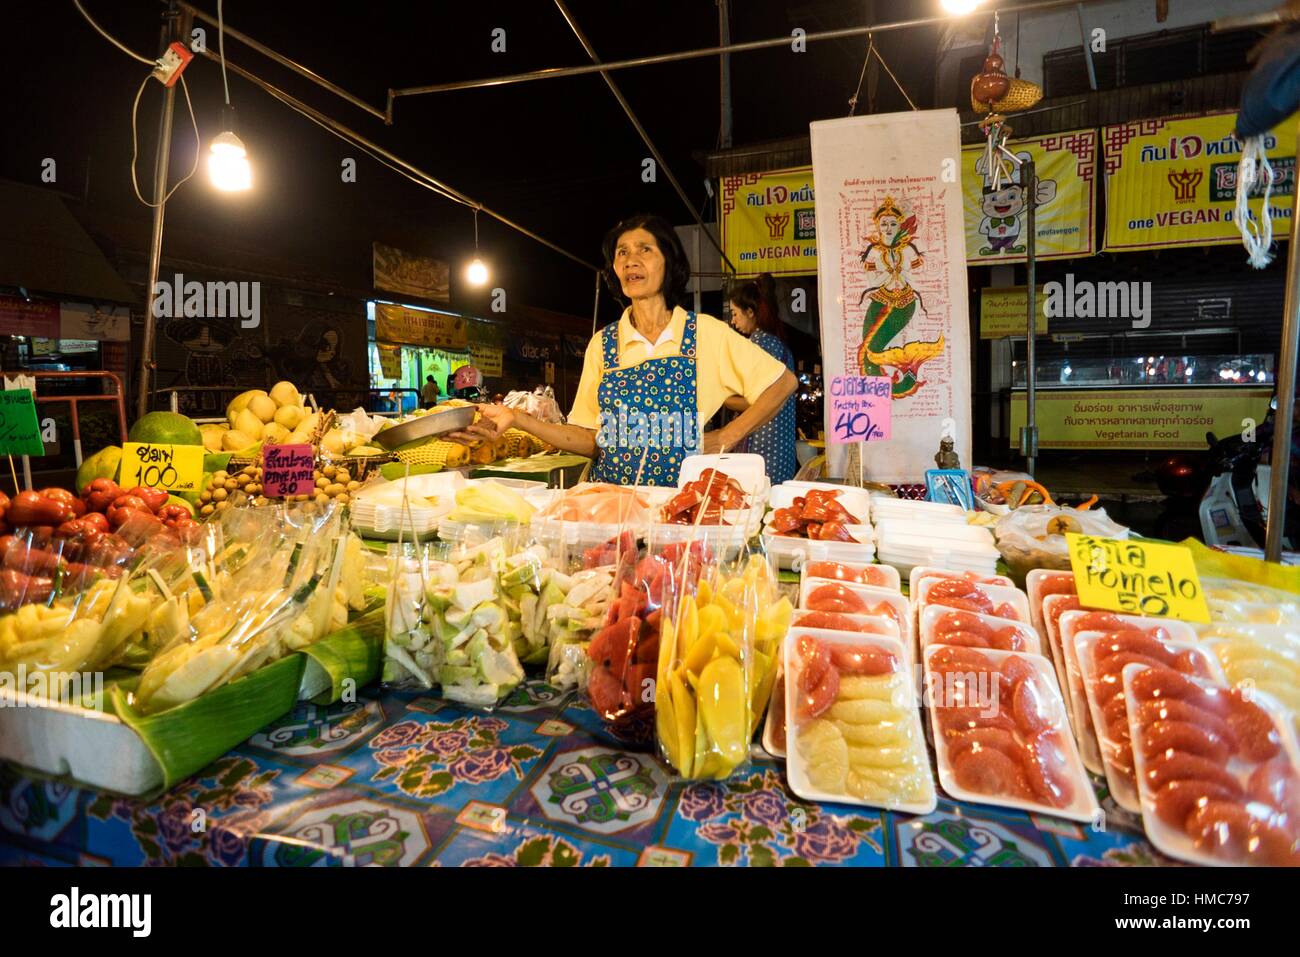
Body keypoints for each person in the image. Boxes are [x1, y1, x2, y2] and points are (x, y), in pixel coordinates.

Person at [449, 213, 797, 486]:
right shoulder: (603, 344)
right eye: (622, 252)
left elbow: (782, 383)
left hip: (680, 509)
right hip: (613, 507)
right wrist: (517, 419)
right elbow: (590, 439)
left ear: (668, 262)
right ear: (615, 269)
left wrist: (727, 435)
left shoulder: (704, 333)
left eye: (645, 249)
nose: (632, 260)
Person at [726, 275, 797, 485]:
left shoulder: (757, 345)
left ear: (750, 312)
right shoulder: (778, 344)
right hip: (781, 448)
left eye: (735, 314)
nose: (733, 321)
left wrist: (721, 398)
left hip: (761, 446)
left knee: (755, 504)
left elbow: (754, 402)